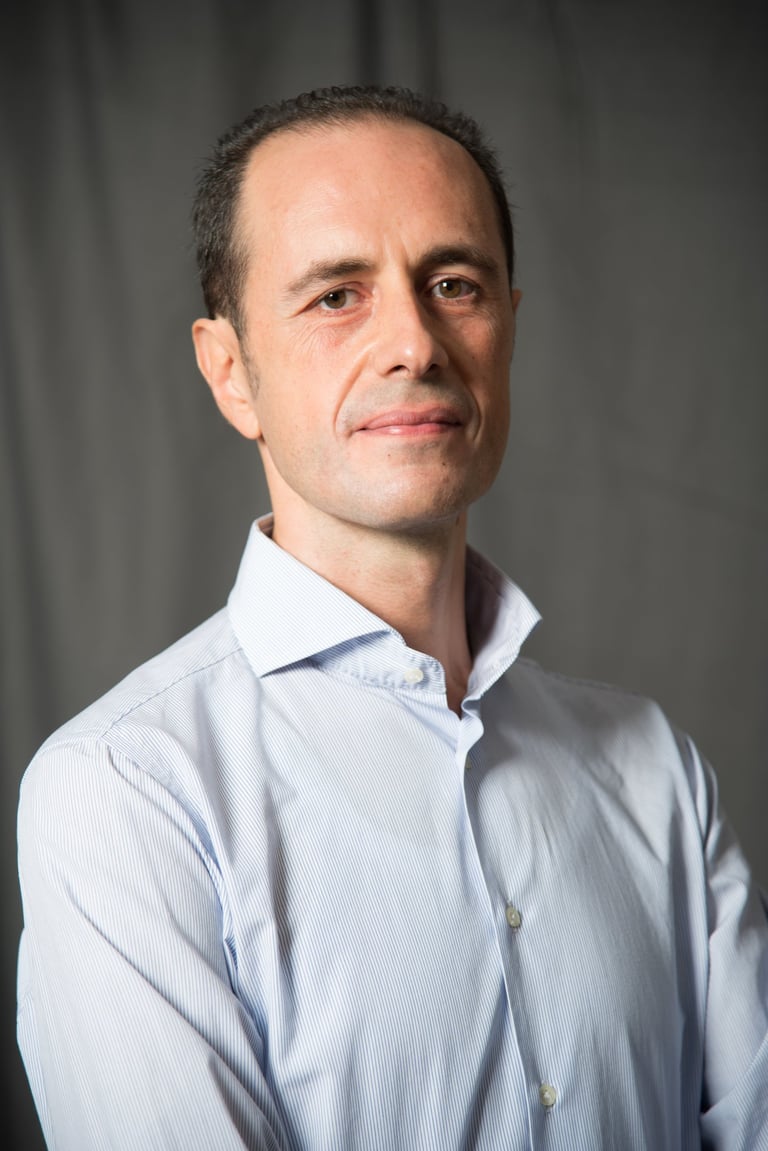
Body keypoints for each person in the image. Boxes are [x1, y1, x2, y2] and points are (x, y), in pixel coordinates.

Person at [16, 85, 768, 1151]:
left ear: (510, 329)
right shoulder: (126, 792)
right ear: (230, 371)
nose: (415, 343)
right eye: (337, 295)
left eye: (454, 284)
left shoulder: (655, 770)